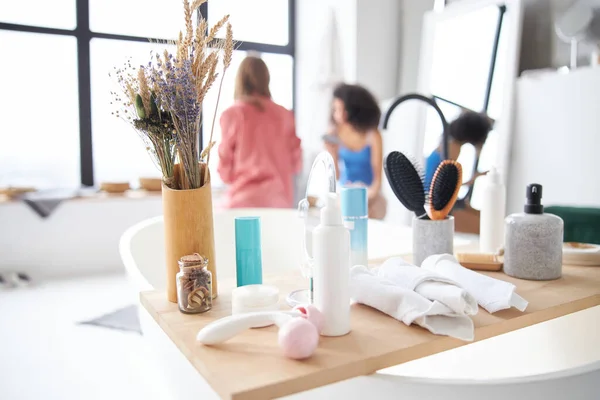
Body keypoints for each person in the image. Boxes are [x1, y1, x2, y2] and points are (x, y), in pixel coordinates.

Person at [218, 56, 302, 208]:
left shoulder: (232, 115)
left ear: (240, 79)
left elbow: (225, 171)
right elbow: (296, 164)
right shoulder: (285, 115)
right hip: (279, 203)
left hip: (242, 202)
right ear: (267, 79)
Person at [324, 83, 386, 219]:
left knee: (370, 214)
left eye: (340, 109)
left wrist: (366, 201)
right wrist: (332, 153)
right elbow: (336, 177)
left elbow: (377, 181)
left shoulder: (373, 135)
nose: (337, 115)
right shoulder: (334, 134)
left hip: (370, 195)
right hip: (345, 193)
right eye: (335, 110)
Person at [424, 110, 493, 234]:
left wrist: (476, 177)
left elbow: (446, 181)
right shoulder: (453, 148)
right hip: (437, 205)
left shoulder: (445, 142)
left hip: (436, 201)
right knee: (488, 225)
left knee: (487, 219)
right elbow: (446, 185)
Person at [424, 110, 492, 191]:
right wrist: (474, 178)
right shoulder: (454, 148)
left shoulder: (448, 140)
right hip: (429, 193)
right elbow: (447, 187)